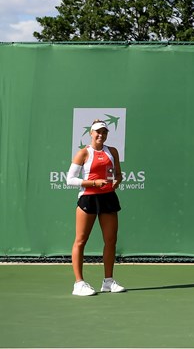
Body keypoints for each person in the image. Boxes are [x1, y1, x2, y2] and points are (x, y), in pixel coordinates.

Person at [65, 120, 125, 296]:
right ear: (91, 133)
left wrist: (116, 182)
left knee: (111, 240)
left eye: (104, 132)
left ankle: (108, 281)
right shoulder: (83, 153)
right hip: (88, 199)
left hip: (108, 198)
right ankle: (79, 284)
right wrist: (93, 182)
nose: (101, 135)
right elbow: (70, 179)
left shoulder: (112, 151)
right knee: (81, 240)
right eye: (98, 132)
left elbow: (119, 174)